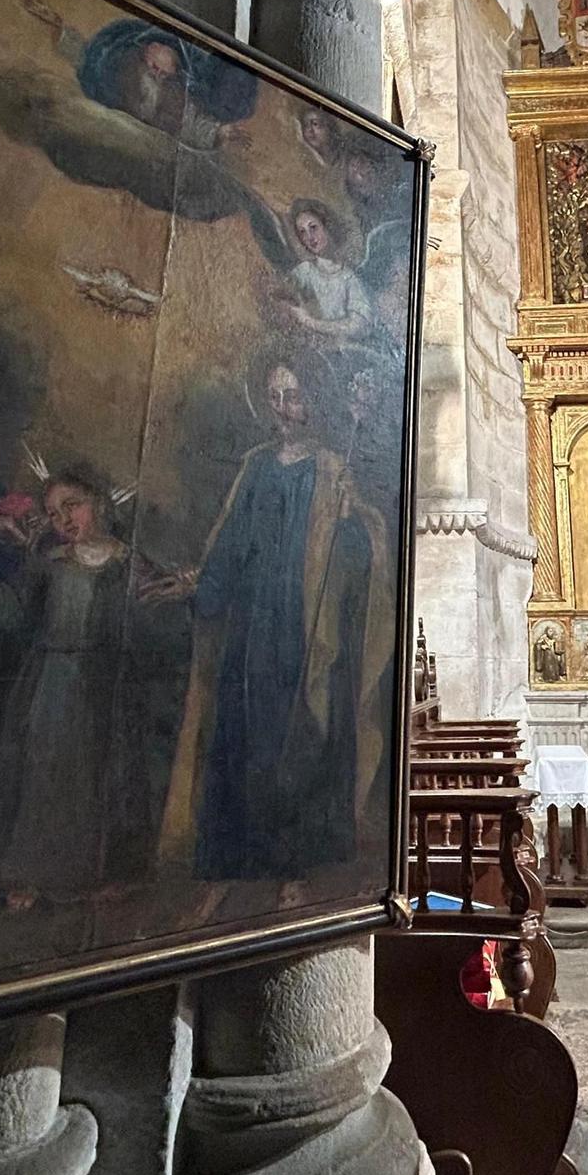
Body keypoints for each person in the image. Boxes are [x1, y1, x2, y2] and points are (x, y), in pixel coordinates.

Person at [159, 355, 391, 890]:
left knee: (301, 731)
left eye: (293, 395)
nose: (283, 408)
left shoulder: (334, 468)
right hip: (252, 621)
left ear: (315, 399)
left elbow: (363, 552)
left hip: (305, 622)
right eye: (275, 396)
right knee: (243, 731)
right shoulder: (256, 465)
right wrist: (203, 585)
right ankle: (237, 857)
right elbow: (232, 542)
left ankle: (294, 861)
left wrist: (350, 524)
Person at [0, 467, 191, 911]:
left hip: (108, 687)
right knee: (44, 775)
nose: (63, 520)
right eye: (53, 513)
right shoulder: (49, 565)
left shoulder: (130, 564)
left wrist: (168, 609)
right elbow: (13, 608)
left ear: (101, 503)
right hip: (51, 684)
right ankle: (30, 876)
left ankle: (103, 874)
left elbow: (161, 627)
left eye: (72, 505)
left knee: (104, 777)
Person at [21, 0, 257, 151]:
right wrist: (58, 28)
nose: (154, 70)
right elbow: (90, 61)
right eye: (150, 64)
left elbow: (191, 122)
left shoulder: (182, 81)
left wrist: (218, 133)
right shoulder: (118, 70)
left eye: (156, 67)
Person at [274, 199, 373, 343]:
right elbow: (281, 296)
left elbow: (359, 326)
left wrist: (311, 322)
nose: (309, 237)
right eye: (302, 232)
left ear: (327, 226)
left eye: (313, 227)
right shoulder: (304, 272)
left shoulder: (349, 278)